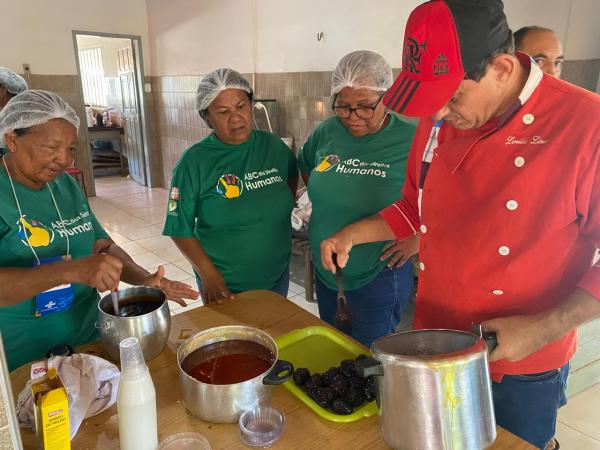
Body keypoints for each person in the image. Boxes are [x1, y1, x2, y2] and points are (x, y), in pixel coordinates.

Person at [320, 1, 600, 449]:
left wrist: (544, 327)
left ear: (503, 68)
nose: (439, 115)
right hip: (438, 342)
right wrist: (354, 232)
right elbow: (416, 207)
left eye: (451, 97)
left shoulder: (587, 126)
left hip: (524, 361)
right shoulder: (436, 124)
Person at [0, 90, 199, 371]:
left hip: (87, 340)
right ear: (12, 140)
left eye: (70, 148)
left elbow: (101, 245)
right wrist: (73, 270)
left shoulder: (64, 185)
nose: (64, 160)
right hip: (23, 356)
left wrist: (143, 278)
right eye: (51, 147)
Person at [298, 50, 417, 347]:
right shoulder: (327, 131)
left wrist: (420, 238)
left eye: (365, 107)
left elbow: (442, 200)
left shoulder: (411, 140)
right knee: (333, 345)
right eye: (343, 106)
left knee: (369, 358)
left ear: (387, 96)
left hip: (379, 271)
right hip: (328, 270)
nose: (353, 118)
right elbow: (306, 166)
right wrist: (329, 200)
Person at [163, 68, 298, 303]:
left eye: (241, 106)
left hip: (276, 277)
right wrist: (209, 276)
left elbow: (290, 183)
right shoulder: (193, 163)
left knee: (273, 337)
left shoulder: (274, 147)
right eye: (223, 112)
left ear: (251, 104)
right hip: (225, 285)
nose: (236, 118)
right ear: (207, 117)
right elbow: (178, 227)